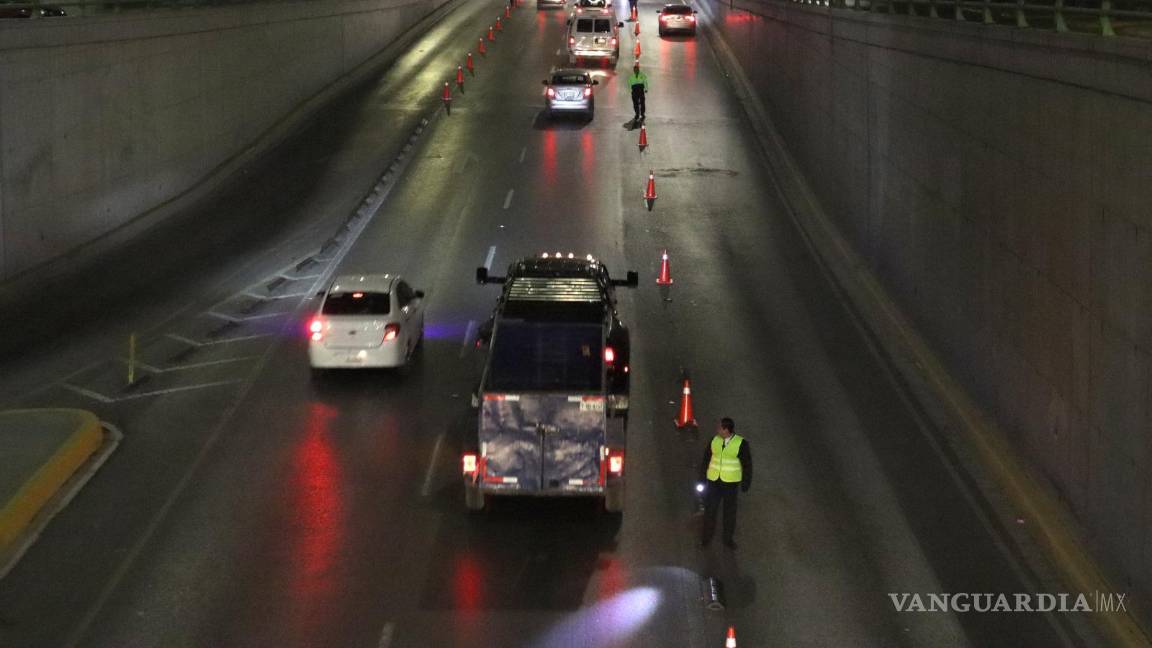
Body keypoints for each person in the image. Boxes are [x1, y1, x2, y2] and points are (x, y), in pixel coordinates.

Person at [698, 417, 752, 549]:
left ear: (726, 430)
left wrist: (746, 482)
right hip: (714, 482)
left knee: (729, 513)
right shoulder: (714, 441)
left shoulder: (741, 444)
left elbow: (747, 464)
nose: (717, 430)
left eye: (719, 428)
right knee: (710, 511)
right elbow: (706, 459)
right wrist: (702, 478)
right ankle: (706, 538)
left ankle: (728, 539)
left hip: (730, 484)